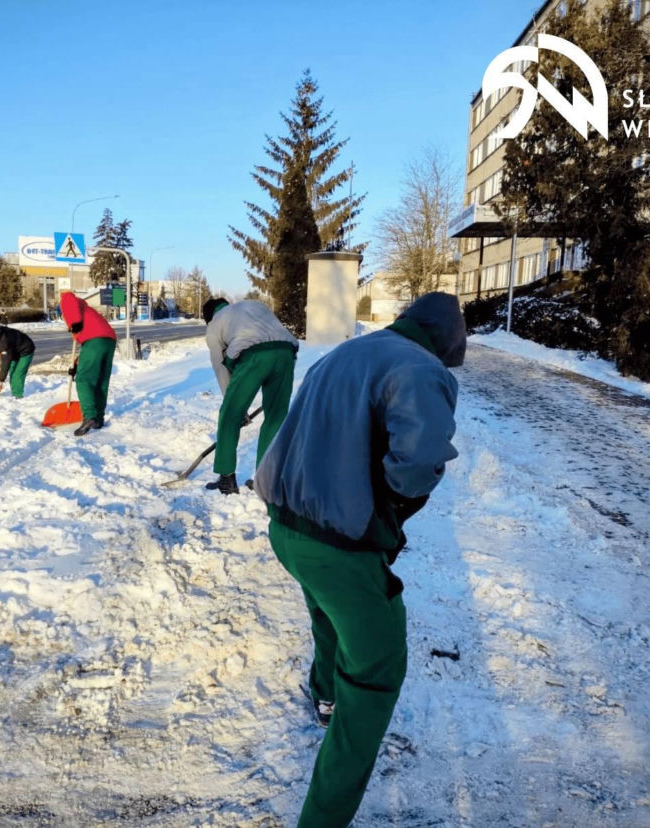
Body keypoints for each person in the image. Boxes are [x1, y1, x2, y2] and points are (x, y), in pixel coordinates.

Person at [253, 292, 467, 827]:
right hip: (339, 545)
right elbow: (417, 465)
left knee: (326, 611)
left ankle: (323, 692)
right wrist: (393, 500)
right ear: (447, 340)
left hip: (286, 527)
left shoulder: (346, 353)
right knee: (376, 672)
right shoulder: (420, 369)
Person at [202, 297, 298, 495]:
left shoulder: (214, 324)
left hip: (254, 356)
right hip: (287, 353)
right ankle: (267, 480)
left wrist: (237, 409)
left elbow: (221, 368)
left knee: (229, 416)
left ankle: (227, 478)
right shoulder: (253, 305)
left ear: (209, 316)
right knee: (276, 418)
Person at [59, 291, 117, 436]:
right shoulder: (87, 312)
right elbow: (89, 349)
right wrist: (77, 364)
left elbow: (67, 297)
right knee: (101, 381)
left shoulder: (73, 308)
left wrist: (75, 324)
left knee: (84, 380)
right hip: (108, 340)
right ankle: (98, 419)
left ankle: (89, 416)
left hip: (95, 339)